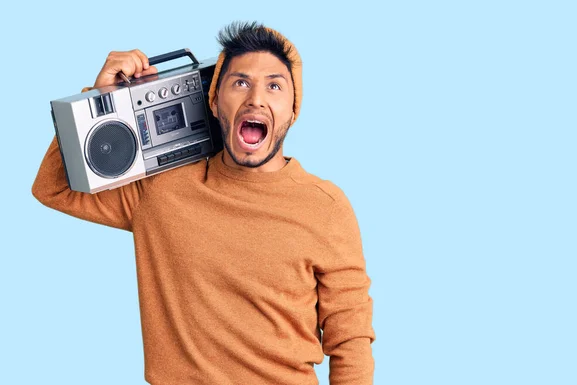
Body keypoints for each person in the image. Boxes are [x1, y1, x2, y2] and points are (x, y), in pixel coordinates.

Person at [32, 21, 375, 385]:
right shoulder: (160, 189)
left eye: (274, 85)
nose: (255, 98)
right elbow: (52, 188)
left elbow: (350, 341)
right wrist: (99, 104)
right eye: (240, 82)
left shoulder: (326, 206)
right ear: (213, 100)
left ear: (292, 110)